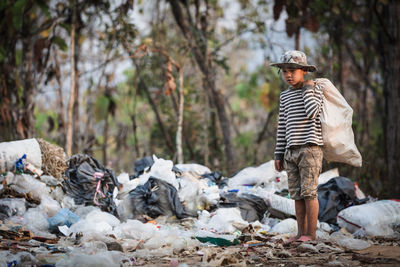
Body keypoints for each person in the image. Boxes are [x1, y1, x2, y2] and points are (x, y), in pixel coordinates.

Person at [271, 50, 324, 242]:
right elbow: (282, 126)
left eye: (293, 71)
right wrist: (278, 154)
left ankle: (311, 234)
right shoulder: (285, 97)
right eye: (285, 71)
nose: (289, 75)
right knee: (297, 195)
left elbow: (313, 112)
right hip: (290, 151)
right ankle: (300, 233)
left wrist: (308, 89)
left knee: (309, 192)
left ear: (304, 71)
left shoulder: (314, 89)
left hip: (310, 148)